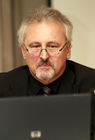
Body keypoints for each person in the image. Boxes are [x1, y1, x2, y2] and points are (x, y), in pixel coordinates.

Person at [0, 6, 95, 138]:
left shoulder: (91, 84)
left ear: (67, 50)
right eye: (35, 46)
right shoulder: (2, 87)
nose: (44, 56)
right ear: (23, 51)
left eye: (52, 46)